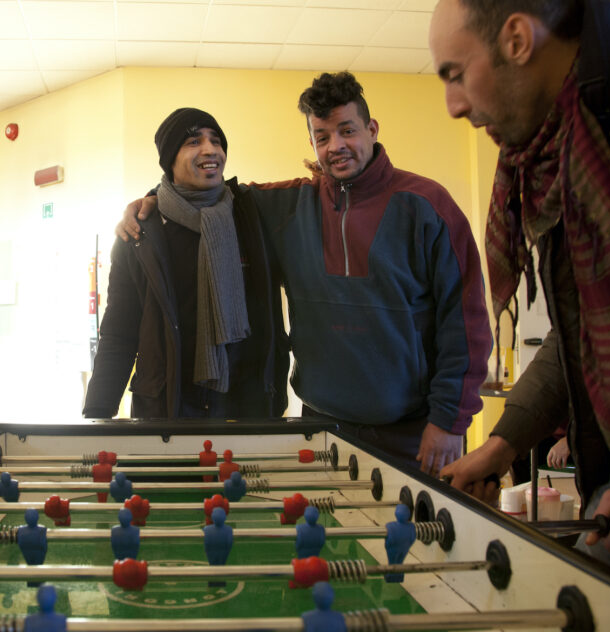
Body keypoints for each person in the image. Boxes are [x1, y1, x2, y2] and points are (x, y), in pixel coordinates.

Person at [430, 0, 610, 604]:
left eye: (454, 72)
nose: (451, 104)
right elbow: (579, 334)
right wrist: (502, 445)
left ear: (518, 40)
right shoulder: (555, 148)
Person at [119, 76, 492, 474]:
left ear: (372, 129)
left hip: (413, 433)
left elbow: (465, 321)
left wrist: (450, 421)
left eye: (347, 131)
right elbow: (206, 194)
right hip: (318, 429)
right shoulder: (287, 204)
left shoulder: (427, 206)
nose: (336, 146)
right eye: (322, 136)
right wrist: (150, 202)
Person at [83, 108, 289, 419]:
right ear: (170, 160)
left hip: (247, 404)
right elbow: (119, 332)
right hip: (168, 406)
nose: (210, 150)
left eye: (216, 141)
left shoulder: (251, 215)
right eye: (193, 141)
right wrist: (97, 413)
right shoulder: (140, 234)